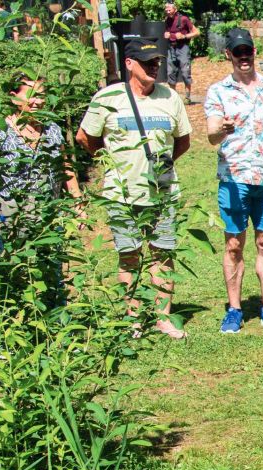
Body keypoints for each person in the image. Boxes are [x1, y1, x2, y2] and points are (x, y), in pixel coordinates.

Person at [77, 34, 192, 339]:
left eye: (157, 62)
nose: (154, 67)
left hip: (163, 192)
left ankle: (162, 318)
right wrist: (114, 162)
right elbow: (85, 138)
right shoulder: (108, 98)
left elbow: (183, 141)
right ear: (129, 64)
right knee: (128, 254)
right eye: (147, 62)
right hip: (122, 194)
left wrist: (160, 165)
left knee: (163, 253)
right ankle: (132, 318)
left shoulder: (170, 98)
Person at [204, 28, 263, 333]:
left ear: (254, 52)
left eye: (248, 51)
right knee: (233, 244)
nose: (244, 57)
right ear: (228, 55)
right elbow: (211, 134)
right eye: (238, 52)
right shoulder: (219, 91)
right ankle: (234, 309)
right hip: (234, 178)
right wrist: (223, 130)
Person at [0, 71, 82, 239]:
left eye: (42, 96)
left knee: (50, 261)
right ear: (14, 97)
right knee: (11, 261)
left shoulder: (52, 129)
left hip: (48, 215)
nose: (38, 102)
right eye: (32, 96)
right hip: (9, 215)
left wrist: (78, 202)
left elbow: (65, 167)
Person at [162, 2, 199, 104]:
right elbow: (167, 32)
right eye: (166, 9)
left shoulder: (184, 19)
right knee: (170, 72)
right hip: (171, 48)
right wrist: (166, 34)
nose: (167, 11)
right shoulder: (167, 20)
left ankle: (187, 97)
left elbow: (197, 32)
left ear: (175, 9)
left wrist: (184, 36)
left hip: (183, 48)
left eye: (169, 9)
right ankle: (174, 97)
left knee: (185, 72)